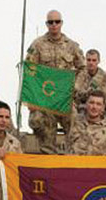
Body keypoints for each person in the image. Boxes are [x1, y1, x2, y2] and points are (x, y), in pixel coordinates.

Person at [25, 10, 85, 154]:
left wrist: (74, 88)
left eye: (57, 22)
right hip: (45, 98)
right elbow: (30, 71)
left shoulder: (72, 46)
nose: (54, 25)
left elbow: (82, 68)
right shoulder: (37, 45)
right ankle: (48, 160)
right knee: (39, 121)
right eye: (50, 22)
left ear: (61, 23)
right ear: (46, 24)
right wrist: (32, 100)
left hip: (65, 98)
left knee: (76, 124)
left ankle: (73, 159)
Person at [74, 48, 104, 113]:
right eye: (89, 60)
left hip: (96, 109)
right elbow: (75, 91)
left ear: (98, 61)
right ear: (85, 60)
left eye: (94, 60)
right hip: (78, 107)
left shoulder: (104, 77)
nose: (91, 63)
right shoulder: (79, 74)